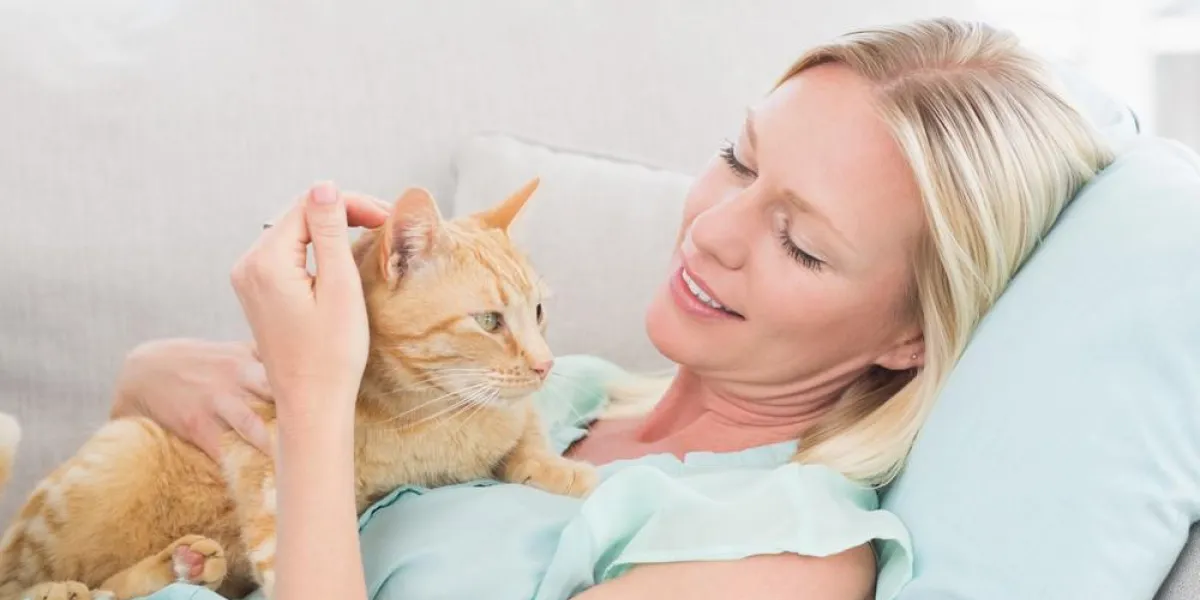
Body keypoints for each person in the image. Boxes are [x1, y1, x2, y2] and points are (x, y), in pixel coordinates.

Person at [110, 18, 1113, 600]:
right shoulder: (565, 393)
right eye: (739, 158)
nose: (714, 228)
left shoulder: (779, 553)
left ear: (910, 336)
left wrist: (313, 399)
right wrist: (153, 375)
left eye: (801, 242)